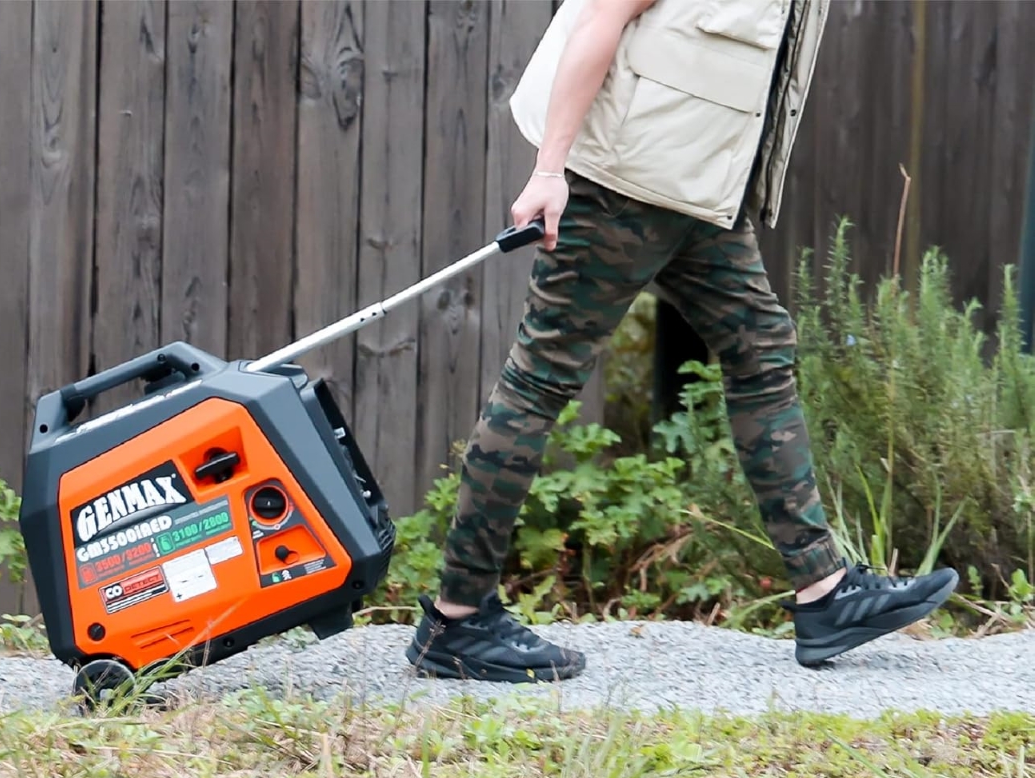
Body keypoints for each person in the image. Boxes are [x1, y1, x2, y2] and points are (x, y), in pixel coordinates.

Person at [405, 0, 959, 683]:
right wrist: (551, 171)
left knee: (761, 349)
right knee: (542, 376)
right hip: (619, 188)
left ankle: (824, 592)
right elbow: (598, 19)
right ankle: (458, 618)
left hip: (694, 194)